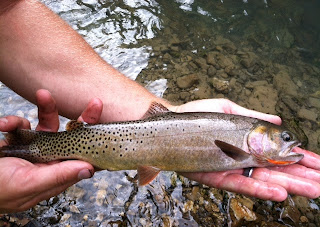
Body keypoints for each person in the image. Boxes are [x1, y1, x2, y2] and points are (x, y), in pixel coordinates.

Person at [0, 0, 320, 213]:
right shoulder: (247, 149)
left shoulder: (249, 147)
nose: (290, 143)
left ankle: (36, 147)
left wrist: (169, 111)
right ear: (260, 136)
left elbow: (8, 14)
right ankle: (38, 148)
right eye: (286, 138)